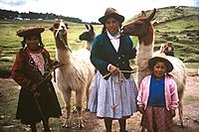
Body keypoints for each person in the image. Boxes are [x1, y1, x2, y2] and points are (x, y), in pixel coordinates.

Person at [88, 7, 138, 132]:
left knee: (123, 103)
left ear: (119, 23)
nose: (112, 25)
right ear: (105, 24)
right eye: (108, 22)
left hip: (123, 78)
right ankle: (108, 129)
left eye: (114, 22)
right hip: (107, 78)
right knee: (108, 105)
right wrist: (108, 66)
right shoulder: (99, 39)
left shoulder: (125, 38)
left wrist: (134, 50)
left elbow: (130, 54)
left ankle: (122, 129)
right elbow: (94, 57)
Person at [11, 26, 62, 132]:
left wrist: (53, 64)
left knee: (46, 107)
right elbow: (16, 73)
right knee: (32, 112)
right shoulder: (22, 55)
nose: (32, 41)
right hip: (31, 89)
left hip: (45, 86)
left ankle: (46, 127)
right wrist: (29, 84)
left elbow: (46, 62)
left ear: (39, 39)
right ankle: (33, 129)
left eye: (35, 39)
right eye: (29, 39)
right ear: (25, 41)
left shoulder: (44, 52)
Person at [137, 53, 179, 132]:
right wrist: (140, 104)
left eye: (162, 68)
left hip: (163, 109)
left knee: (163, 128)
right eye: (157, 67)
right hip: (149, 108)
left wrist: (173, 108)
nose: (159, 70)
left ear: (166, 69)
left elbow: (174, 96)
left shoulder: (170, 82)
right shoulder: (146, 80)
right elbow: (141, 93)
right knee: (150, 127)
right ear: (153, 68)